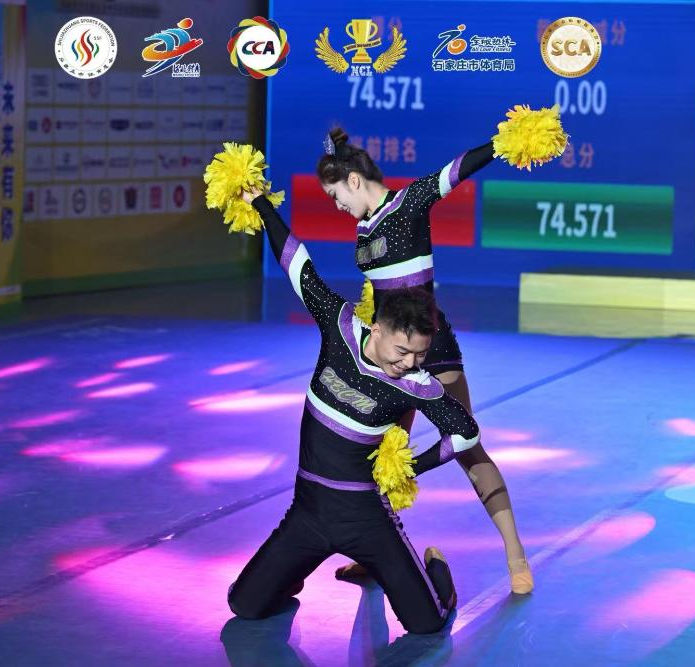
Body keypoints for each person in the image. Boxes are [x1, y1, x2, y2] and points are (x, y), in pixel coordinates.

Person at [227, 186, 481, 634]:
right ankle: (289, 573)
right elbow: (297, 264)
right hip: (308, 512)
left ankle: (436, 572)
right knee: (244, 605)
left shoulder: (416, 385)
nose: (411, 363)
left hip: (367, 520)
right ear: (377, 328)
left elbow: (466, 432)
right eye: (403, 351)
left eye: (420, 355)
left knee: (426, 624)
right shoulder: (339, 326)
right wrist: (261, 203)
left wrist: (410, 469)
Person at [318, 128, 532, 594]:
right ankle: (377, 553)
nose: (336, 206)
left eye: (335, 196)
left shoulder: (407, 204)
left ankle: (516, 553)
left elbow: (455, 170)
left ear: (354, 180)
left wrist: (504, 143)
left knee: (467, 445)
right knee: (381, 456)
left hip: (432, 347)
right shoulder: (363, 229)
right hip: (390, 358)